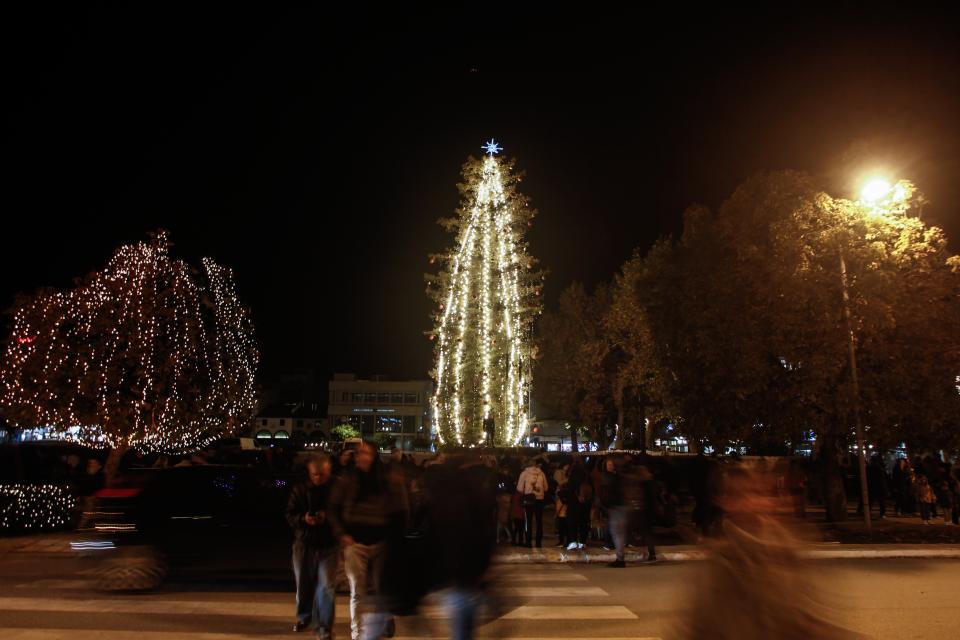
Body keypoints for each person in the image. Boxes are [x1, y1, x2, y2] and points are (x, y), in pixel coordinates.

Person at [328, 441, 400, 640]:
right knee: (357, 592)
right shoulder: (348, 479)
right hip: (356, 542)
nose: (362, 456)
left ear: (374, 455)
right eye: (359, 453)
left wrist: (393, 535)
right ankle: (358, 634)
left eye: (366, 453)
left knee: (381, 589)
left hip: (380, 542)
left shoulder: (383, 478)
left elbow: (397, 507)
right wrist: (342, 534)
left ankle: (382, 624)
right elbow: (333, 508)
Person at [286, 455, 337, 637]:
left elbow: (342, 512)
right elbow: (290, 514)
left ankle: (324, 627)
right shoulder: (300, 490)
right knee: (304, 584)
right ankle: (304, 616)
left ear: (328, 472)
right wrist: (303, 519)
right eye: (315, 475)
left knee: (326, 588)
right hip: (305, 542)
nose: (318, 478)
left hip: (328, 544)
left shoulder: (335, 490)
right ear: (310, 473)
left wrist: (327, 517)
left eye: (322, 475)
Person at [600, 457, 628, 567]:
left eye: (611, 465)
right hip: (617, 507)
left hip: (617, 507)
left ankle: (620, 559)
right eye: (608, 465)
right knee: (618, 533)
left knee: (618, 534)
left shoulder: (613, 478)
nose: (610, 467)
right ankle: (619, 556)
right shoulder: (615, 477)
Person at [516, 458, 547, 548]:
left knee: (528, 521)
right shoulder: (541, 473)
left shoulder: (524, 474)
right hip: (540, 499)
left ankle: (528, 542)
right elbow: (546, 487)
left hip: (529, 499)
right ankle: (538, 543)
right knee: (539, 521)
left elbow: (519, 488)